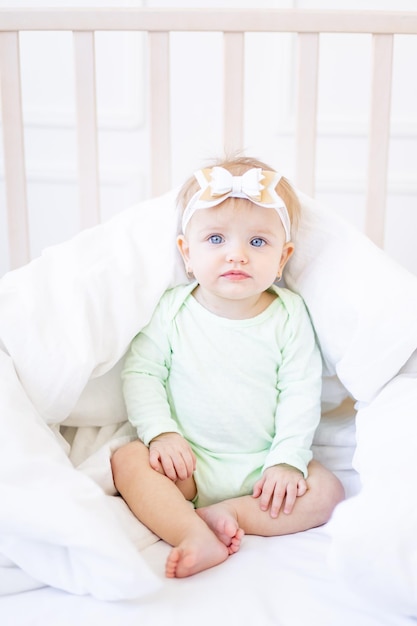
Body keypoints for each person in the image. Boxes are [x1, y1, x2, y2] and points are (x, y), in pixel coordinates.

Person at [111, 156, 345, 579]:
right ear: (187, 252)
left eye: (257, 242)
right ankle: (192, 532)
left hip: (263, 468)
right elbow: (143, 374)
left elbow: (300, 391)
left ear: (282, 257)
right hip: (190, 463)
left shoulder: (289, 315)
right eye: (216, 238)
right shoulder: (173, 310)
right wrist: (161, 433)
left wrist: (287, 461)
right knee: (128, 459)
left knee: (327, 491)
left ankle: (228, 513)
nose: (236, 255)